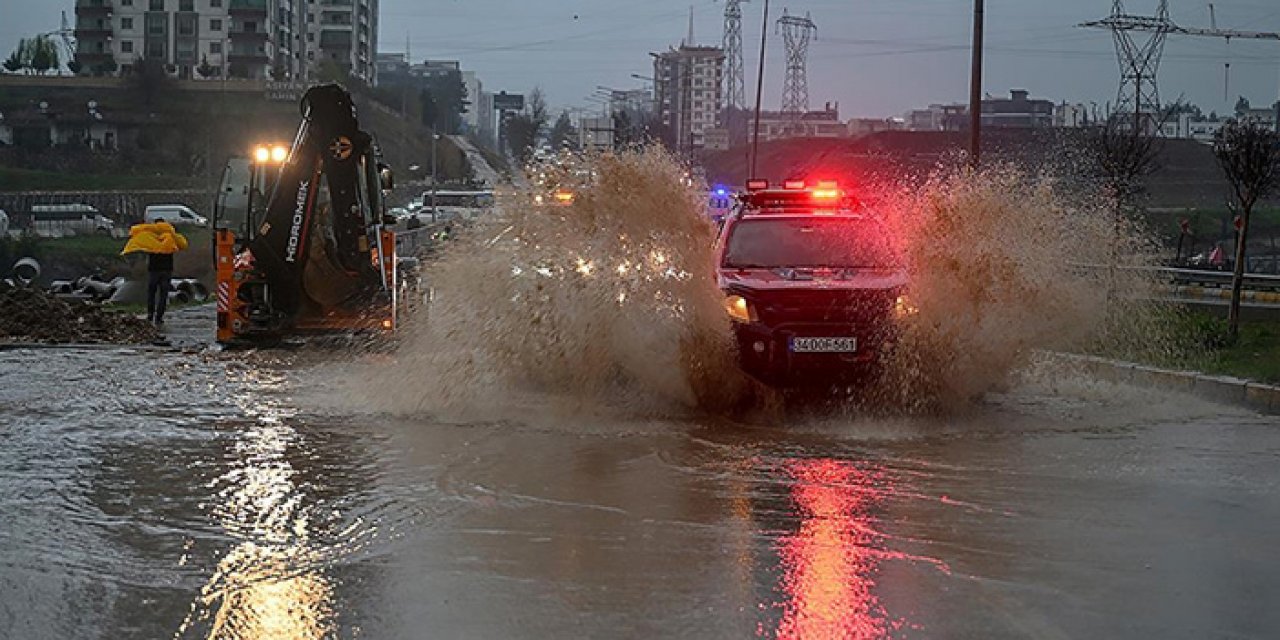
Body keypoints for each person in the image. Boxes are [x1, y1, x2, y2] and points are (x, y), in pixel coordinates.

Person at [121, 217, 188, 326]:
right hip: (166, 269)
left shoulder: (149, 235)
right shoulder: (170, 235)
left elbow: (139, 243)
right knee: (163, 294)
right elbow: (183, 245)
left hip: (154, 270)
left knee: (151, 293)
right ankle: (159, 317)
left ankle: (150, 314)